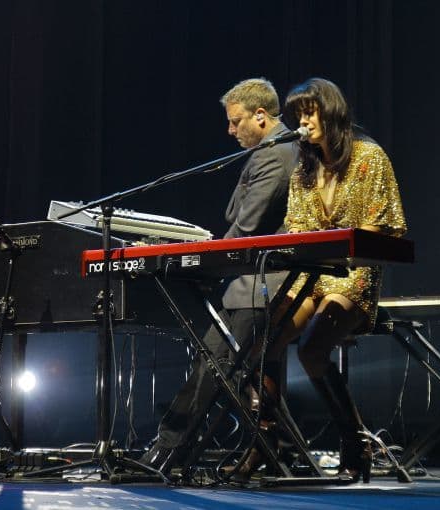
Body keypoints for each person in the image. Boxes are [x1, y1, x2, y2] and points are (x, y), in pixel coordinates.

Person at [138, 78, 299, 472]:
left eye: (235, 121)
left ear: (260, 116)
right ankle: (278, 448)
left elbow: (245, 229)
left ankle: (168, 451)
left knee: (217, 362)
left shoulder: (275, 155)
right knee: (229, 366)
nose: (230, 130)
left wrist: (197, 258)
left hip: (262, 283)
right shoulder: (271, 151)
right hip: (252, 281)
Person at [259, 77, 407, 483]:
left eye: (310, 112)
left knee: (312, 348)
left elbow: (381, 225)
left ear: (331, 111)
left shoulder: (369, 156)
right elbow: (295, 226)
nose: (303, 122)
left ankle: (354, 441)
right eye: (298, 115)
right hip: (313, 274)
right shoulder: (304, 171)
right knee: (261, 339)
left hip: (354, 274)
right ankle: (267, 443)